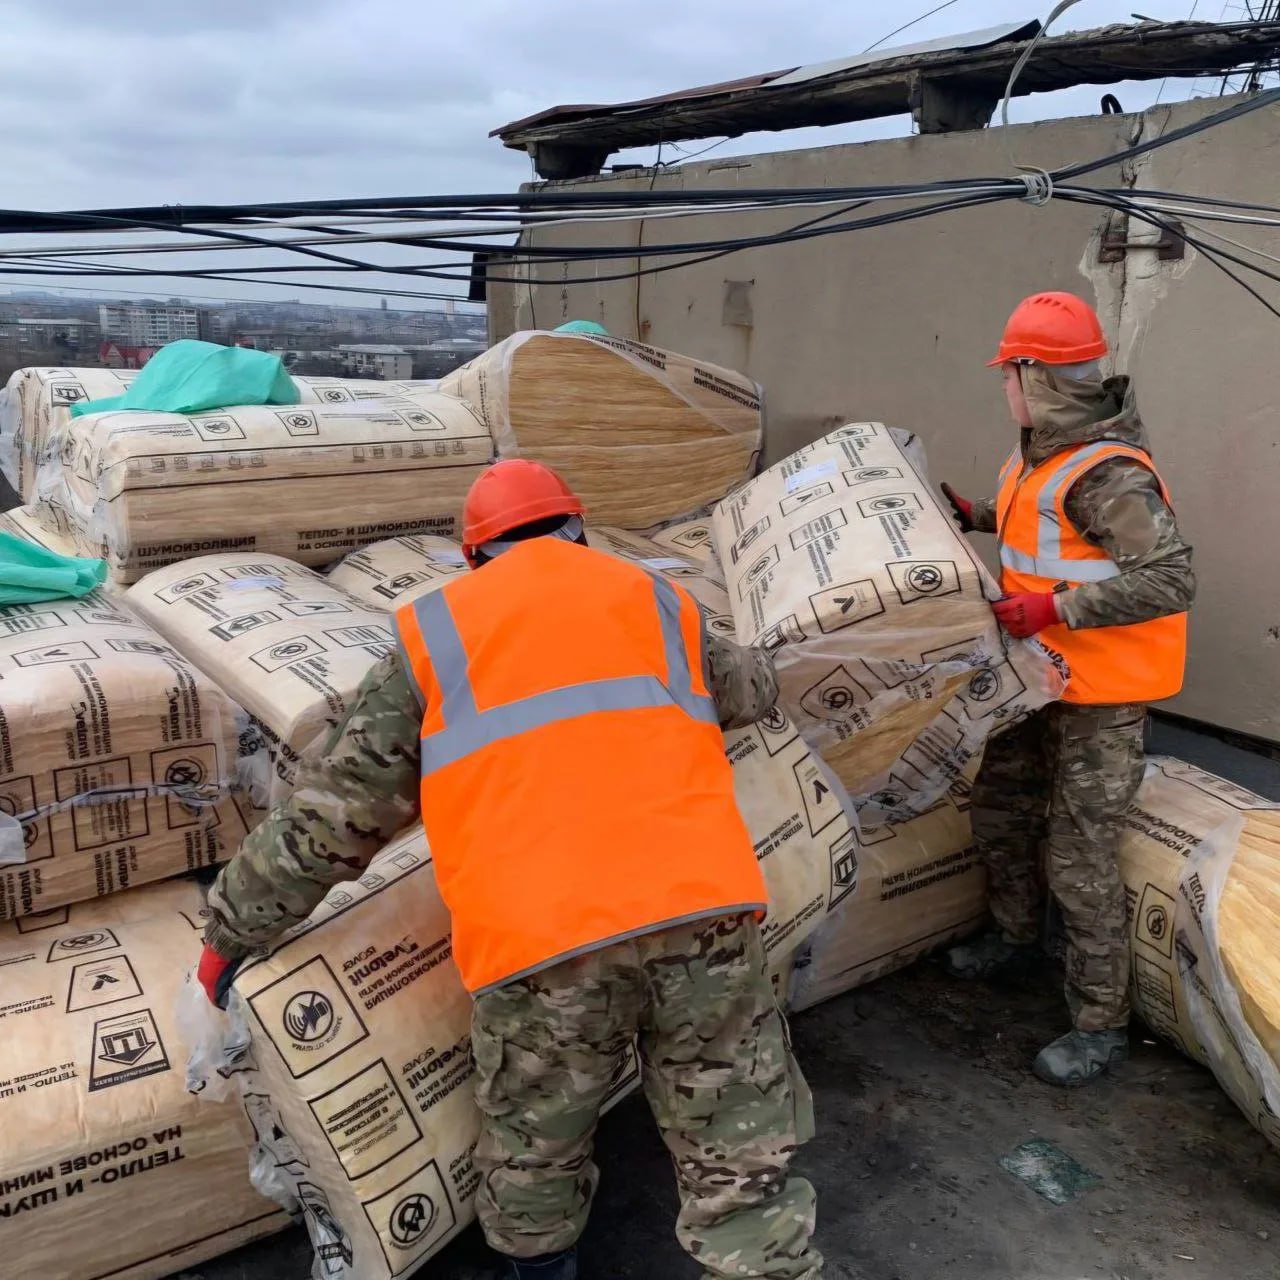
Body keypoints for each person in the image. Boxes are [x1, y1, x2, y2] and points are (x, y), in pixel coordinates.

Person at [196, 459, 823, 1280]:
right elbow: (749, 688)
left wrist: (230, 930)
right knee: (738, 1142)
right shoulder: (656, 599)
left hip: (544, 943)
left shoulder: (435, 635)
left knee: (536, 1144)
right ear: (579, 531)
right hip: (702, 913)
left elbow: (335, 814)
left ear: (473, 555)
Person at [940, 291, 1194, 1088]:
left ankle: (1099, 1025)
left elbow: (1172, 578)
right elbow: (1041, 527)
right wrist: (974, 513)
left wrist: (1056, 608)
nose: (1002, 387)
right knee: (1001, 810)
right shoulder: (1042, 456)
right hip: (1037, 679)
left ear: (1038, 378)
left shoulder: (1108, 473)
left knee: (1079, 857)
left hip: (1100, 696)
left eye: (1008, 373)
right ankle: (1015, 941)